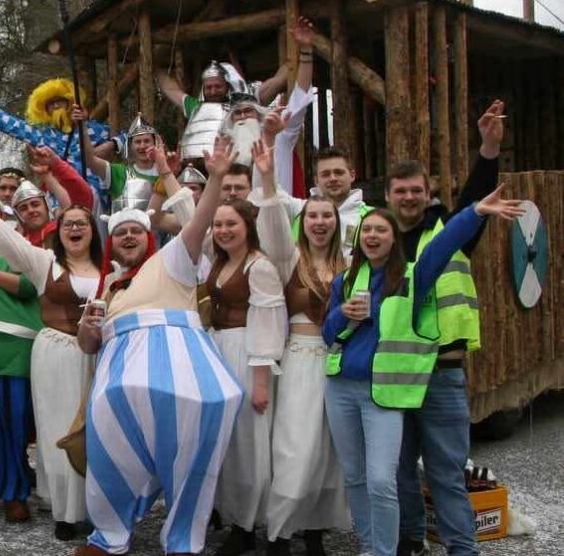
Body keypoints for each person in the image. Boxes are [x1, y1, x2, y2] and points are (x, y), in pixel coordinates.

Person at [322, 188, 523, 556]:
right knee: (355, 477)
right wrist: (341, 314)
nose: (372, 236)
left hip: (384, 393)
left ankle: (386, 551)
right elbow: (328, 335)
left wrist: (475, 211)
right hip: (341, 388)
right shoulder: (345, 281)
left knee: (382, 481)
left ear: (393, 239)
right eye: (367, 230)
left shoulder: (412, 278)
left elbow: (442, 246)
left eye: (381, 230)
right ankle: (369, 547)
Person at [74, 135, 243, 556]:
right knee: (107, 452)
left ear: (147, 237)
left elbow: (198, 222)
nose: (129, 237)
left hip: (183, 373)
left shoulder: (172, 261)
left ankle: (183, 541)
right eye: (121, 233)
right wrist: (89, 328)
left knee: (191, 457)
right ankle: (109, 536)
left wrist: (216, 178)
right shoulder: (107, 287)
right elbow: (88, 345)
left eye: (136, 231)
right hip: (118, 383)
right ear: (111, 242)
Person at [0, 172, 103, 541]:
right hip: (54, 353)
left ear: (93, 230)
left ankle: (95, 507)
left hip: (97, 356)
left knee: (97, 430)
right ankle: (65, 511)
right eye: (68, 224)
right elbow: (8, 241)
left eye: (81, 224)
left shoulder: (110, 269)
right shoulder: (44, 262)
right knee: (55, 428)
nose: (74, 229)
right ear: (59, 231)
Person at [389, 100, 505, 556]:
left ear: (427, 192)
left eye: (416, 190)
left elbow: (478, 198)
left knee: (447, 473)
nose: (408, 197)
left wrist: (488, 149)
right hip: (396, 376)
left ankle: (462, 549)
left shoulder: (451, 230)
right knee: (400, 471)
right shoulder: (376, 239)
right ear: (389, 196)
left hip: (442, 372)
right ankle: (410, 540)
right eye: (400, 191)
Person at [254, 143, 351, 556]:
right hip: (297, 359)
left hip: (336, 362)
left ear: (337, 221)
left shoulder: (350, 262)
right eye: (312, 216)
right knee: (294, 447)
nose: (320, 222)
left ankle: (314, 530)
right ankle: (279, 532)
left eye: (327, 216)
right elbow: (273, 226)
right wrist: (267, 178)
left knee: (328, 450)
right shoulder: (287, 259)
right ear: (303, 220)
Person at [204, 195, 286, 556]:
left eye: (231, 224)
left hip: (246, 353)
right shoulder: (220, 261)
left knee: (249, 442)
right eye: (218, 225)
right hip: (218, 349)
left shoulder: (260, 267)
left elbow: (268, 324)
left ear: (248, 226)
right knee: (227, 440)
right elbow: (191, 221)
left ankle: (249, 523)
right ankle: (231, 514)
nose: (223, 231)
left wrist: (261, 383)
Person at [0, 78, 124, 207]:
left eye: (60, 101)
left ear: (70, 103)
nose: (56, 106)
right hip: (60, 201)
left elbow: (131, 137)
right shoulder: (41, 135)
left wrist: (113, 144)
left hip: (96, 199)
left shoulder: (95, 129)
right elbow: (8, 122)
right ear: (44, 110)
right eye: (51, 104)